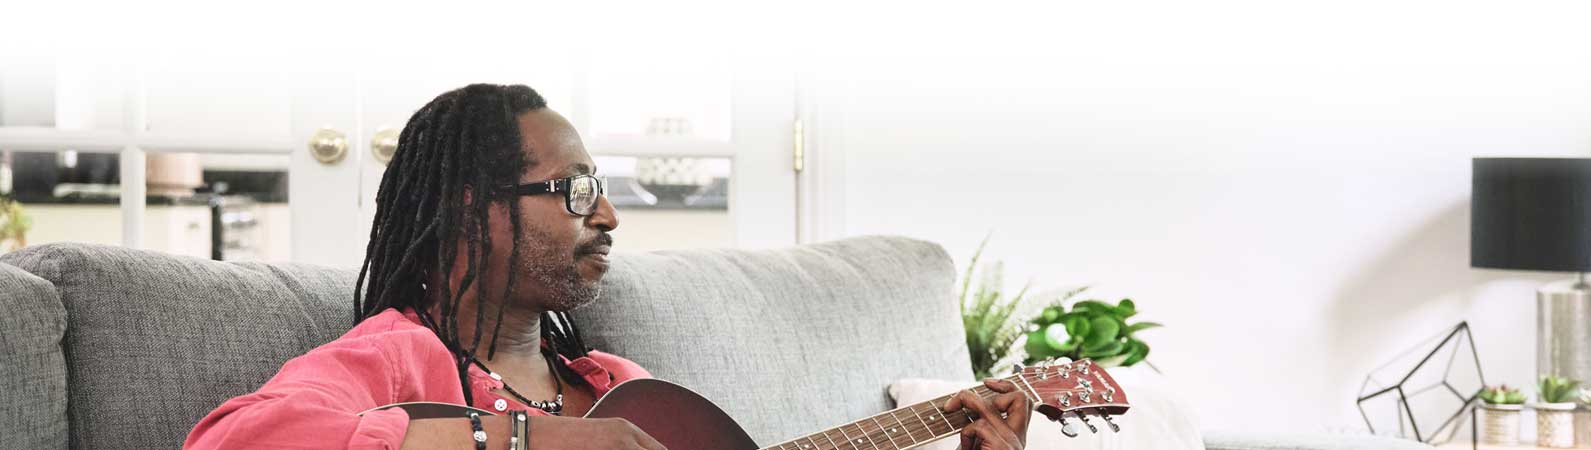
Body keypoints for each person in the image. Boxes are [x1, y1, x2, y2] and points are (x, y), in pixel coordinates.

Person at [183, 84, 1030, 450]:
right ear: (471, 209)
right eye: (577, 190)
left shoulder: (624, 389)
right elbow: (231, 441)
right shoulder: (394, 358)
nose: (609, 217)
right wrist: (527, 437)